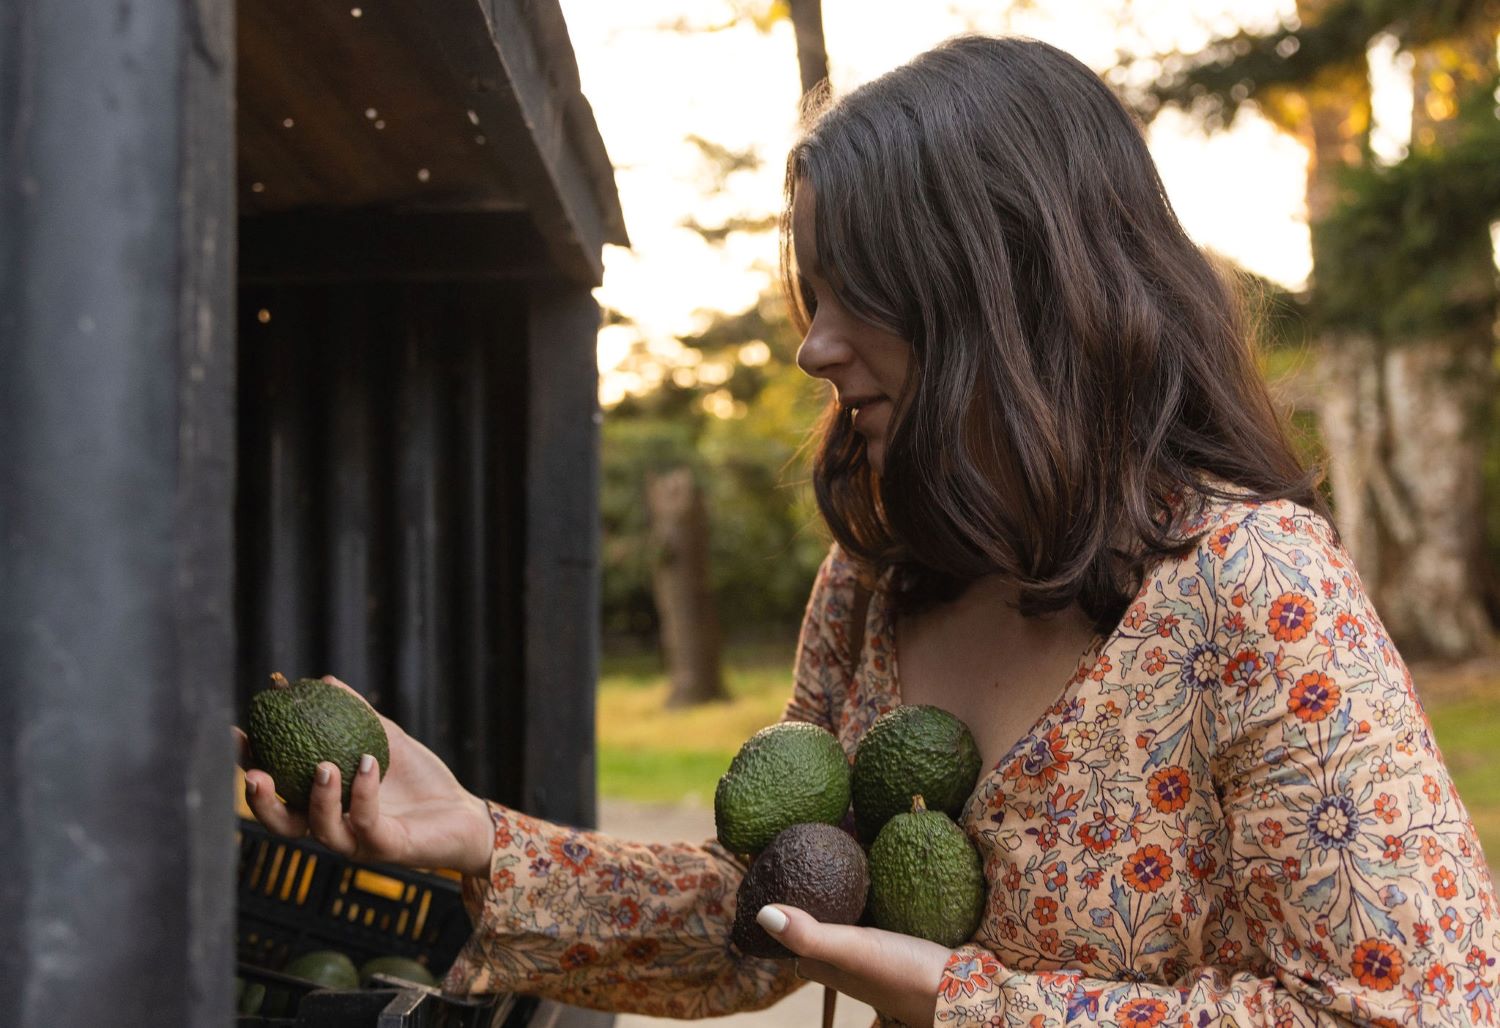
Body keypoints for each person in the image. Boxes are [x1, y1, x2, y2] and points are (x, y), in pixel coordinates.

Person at [240, 34, 1500, 1028]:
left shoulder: (1255, 589)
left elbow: (1413, 1010)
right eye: (811, 294)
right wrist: (477, 836)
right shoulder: (878, 579)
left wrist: (960, 999)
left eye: (855, 294)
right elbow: (772, 919)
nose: (810, 345)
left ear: (1007, 287)